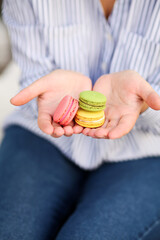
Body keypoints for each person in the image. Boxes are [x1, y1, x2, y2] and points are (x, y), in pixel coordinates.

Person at [0, 0, 160, 239]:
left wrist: (146, 102)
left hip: (145, 149)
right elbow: (33, 70)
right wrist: (45, 86)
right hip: (43, 136)